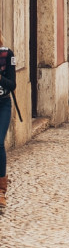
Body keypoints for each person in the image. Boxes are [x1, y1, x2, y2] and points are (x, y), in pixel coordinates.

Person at [0, 31, 16, 210]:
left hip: (3, 104)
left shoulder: (7, 54)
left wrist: (0, 79)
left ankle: (1, 190)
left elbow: (12, 84)